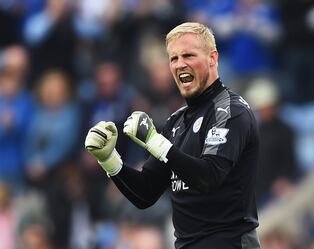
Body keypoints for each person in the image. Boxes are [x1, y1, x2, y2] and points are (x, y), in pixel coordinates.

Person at [85, 22, 261, 249]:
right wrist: (109, 159)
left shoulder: (230, 111)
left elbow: (209, 177)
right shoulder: (176, 121)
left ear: (213, 58)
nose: (180, 64)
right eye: (174, 58)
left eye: (188, 55)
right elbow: (145, 193)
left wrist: (155, 142)